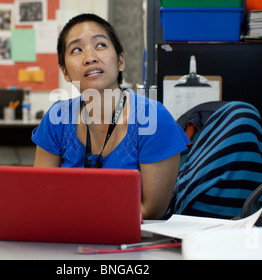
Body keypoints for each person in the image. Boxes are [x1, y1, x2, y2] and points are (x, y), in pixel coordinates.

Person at [31, 13, 190, 219]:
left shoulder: (153, 119)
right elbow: (40, 198)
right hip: (66, 238)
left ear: (120, 61)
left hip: (134, 243)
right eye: (77, 50)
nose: (90, 57)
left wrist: (77, 215)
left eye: (100, 45)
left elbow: (150, 211)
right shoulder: (57, 118)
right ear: (65, 73)